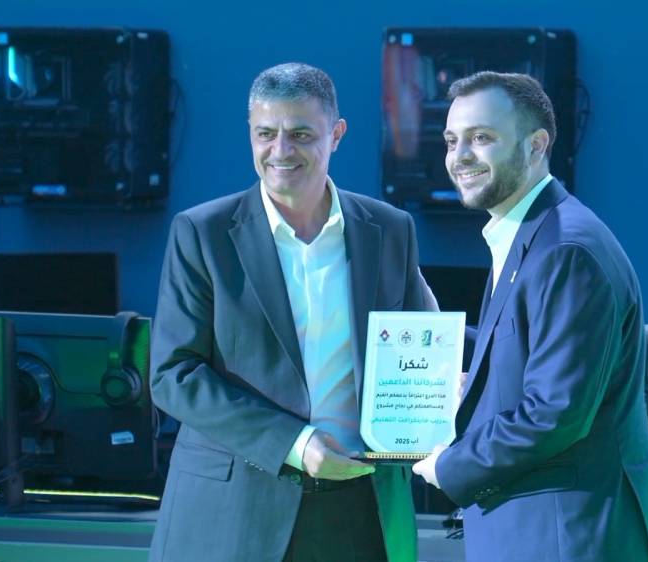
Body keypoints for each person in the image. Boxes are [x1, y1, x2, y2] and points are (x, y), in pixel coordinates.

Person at [148, 62, 434, 562]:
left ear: (336, 134)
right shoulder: (202, 233)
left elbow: (421, 344)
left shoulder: (390, 229)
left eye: (301, 134)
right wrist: (295, 443)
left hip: (361, 509)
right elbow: (174, 376)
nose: (280, 151)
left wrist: (445, 386)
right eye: (266, 133)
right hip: (234, 515)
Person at [412, 71, 648, 562]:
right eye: (452, 140)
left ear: (536, 145)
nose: (460, 156)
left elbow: (554, 414)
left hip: (567, 541)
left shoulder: (565, 250)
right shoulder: (531, 235)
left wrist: (449, 465)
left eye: (481, 138)